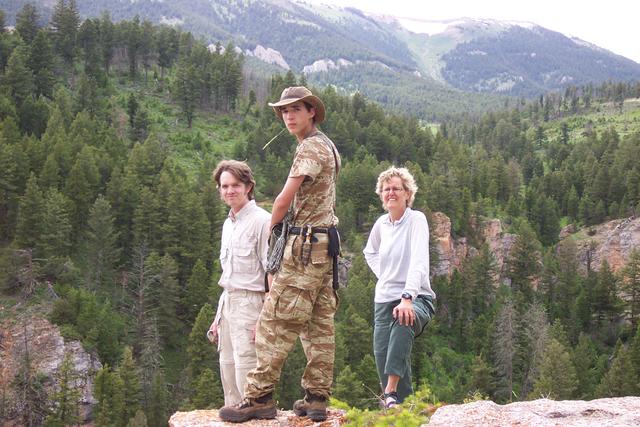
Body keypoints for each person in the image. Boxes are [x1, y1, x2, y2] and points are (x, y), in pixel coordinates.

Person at [219, 86, 341, 423]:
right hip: (324, 247)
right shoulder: (325, 145)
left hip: (303, 248)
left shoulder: (309, 149)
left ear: (311, 112)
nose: (288, 116)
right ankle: (316, 399)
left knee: (275, 320)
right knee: (319, 323)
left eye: (296, 110)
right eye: (284, 111)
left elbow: (285, 198)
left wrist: (274, 229)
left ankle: (259, 397)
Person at [363, 167, 436, 409]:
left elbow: (419, 261)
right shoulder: (381, 224)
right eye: (386, 189)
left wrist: (407, 297)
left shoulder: (416, 220)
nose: (391, 193)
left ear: (407, 193)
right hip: (383, 299)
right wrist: (384, 275)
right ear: (381, 195)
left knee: (403, 321)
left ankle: (390, 392)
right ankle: (404, 412)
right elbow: (369, 252)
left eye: (396, 188)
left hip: (417, 296)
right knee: (384, 354)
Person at [207, 160, 271, 407]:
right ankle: (234, 412)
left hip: (252, 303)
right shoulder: (228, 223)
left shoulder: (262, 221)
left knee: (248, 364)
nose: (229, 190)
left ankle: (255, 412)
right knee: (227, 364)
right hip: (229, 302)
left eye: (235, 185)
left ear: (248, 187)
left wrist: (264, 318)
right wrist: (218, 315)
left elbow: (272, 274)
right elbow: (229, 275)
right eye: (224, 186)